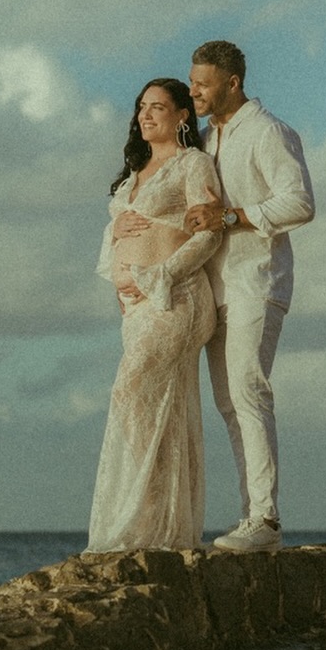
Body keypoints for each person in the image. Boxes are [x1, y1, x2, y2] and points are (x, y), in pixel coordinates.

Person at [185, 41, 315, 553]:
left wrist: (233, 217)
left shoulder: (269, 131)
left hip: (256, 280)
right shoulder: (203, 139)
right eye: (192, 81)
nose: (193, 89)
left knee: (247, 390)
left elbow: (300, 202)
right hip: (213, 285)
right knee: (228, 402)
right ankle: (251, 516)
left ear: (232, 83)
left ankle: (266, 520)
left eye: (203, 82)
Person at [85, 79, 221, 552]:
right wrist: (116, 230)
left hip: (176, 297)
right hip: (137, 309)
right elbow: (116, 237)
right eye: (142, 107)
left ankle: (148, 511)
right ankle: (162, 523)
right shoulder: (134, 174)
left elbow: (209, 234)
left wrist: (157, 275)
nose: (146, 116)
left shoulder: (193, 164)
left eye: (158, 107)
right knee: (154, 406)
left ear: (183, 115)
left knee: (130, 391)